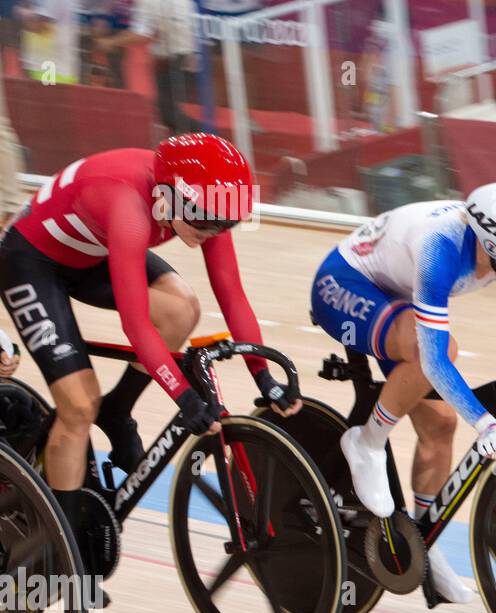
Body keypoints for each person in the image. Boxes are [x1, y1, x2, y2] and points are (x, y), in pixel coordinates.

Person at [0, 133, 298, 585]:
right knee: (79, 405)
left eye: (225, 223)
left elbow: (231, 293)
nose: (209, 232)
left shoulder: (203, 203)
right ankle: (60, 554)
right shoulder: (130, 207)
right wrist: (181, 394)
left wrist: (264, 377)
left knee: (183, 309)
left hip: (91, 253)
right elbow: (136, 327)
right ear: (167, 193)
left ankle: (118, 411)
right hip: (31, 260)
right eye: (201, 219)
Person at [312, 185, 496, 602]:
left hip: (399, 296)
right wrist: (484, 422)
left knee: (441, 425)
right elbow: (435, 361)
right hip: (346, 282)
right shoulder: (439, 248)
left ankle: (424, 543)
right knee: (445, 351)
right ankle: (365, 443)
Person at [95, 0, 199, 135]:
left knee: (168, 113)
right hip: (192, 59)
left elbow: (140, 34)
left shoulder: (145, 0)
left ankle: (207, 136)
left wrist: (111, 42)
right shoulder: (184, 1)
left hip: (170, 60)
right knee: (172, 109)